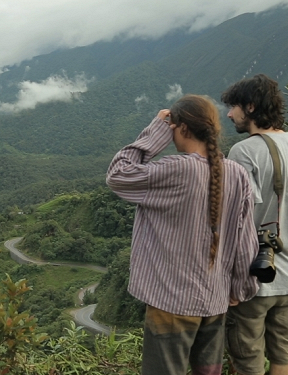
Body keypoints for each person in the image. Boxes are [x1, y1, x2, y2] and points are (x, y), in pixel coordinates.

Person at [106, 94, 260, 375]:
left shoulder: (174, 169)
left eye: (172, 128)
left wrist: (155, 133)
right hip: (215, 302)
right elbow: (245, 240)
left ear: (183, 128)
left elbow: (118, 175)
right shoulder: (237, 174)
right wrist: (240, 288)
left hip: (171, 304)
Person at [221, 74, 288, 375]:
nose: (229, 114)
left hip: (253, 283)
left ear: (250, 108)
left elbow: (235, 221)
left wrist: (234, 280)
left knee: (247, 363)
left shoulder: (243, 152)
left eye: (234, 107)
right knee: (284, 360)